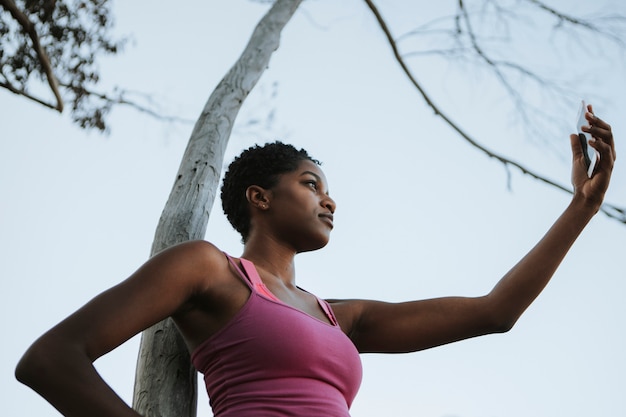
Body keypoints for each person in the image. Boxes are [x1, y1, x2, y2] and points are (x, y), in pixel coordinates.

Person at [15, 104, 615, 417]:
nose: (329, 199)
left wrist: (581, 209)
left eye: (327, 188)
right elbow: (50, 359)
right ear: (260, 197)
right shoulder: (207, 269)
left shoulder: (339, 318)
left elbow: (495, 312)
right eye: (310, 183)